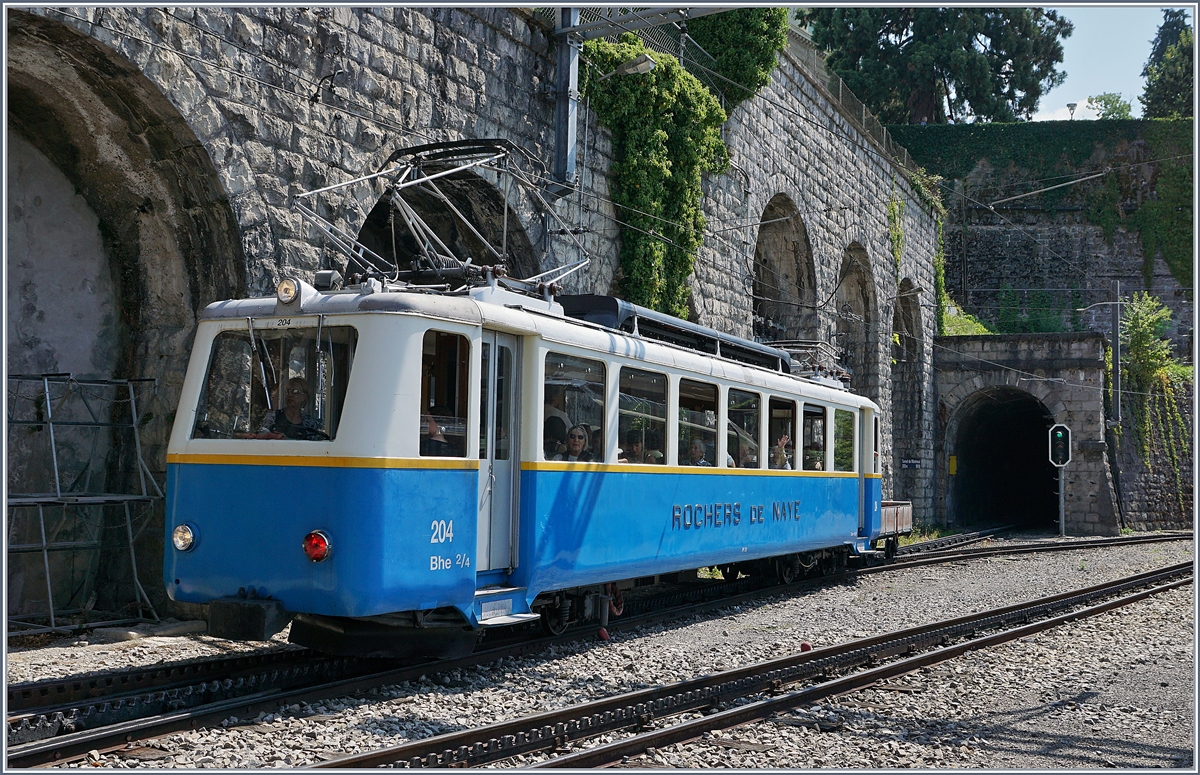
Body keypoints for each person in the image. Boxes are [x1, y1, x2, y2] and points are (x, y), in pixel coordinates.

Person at [252, 377, 325, 440]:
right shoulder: (273, 417)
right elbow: (261, 438)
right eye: (287, 391)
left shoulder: (310, 423)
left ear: (304, 397)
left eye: (295, 392)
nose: (290, 395)